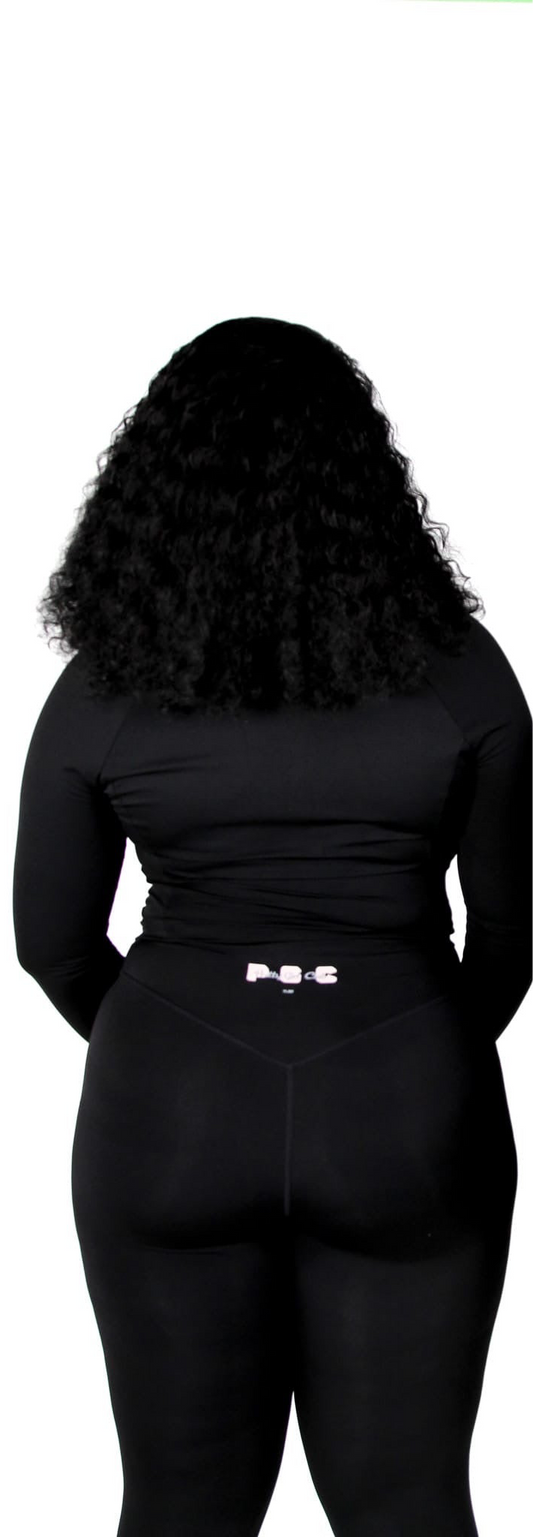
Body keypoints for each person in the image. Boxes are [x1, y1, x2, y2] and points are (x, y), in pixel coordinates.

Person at [12, 315, 533, 1537]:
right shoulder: (462, 671)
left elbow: (51, 940)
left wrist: (176, 1034)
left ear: (150, 494)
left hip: (169, 1102)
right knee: (408, 1507)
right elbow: (514, 930)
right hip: (405, 1101)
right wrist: (406, 1040)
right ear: (364, 485)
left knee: (179, 1507)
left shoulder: (100, 689)